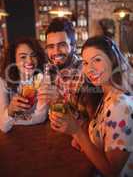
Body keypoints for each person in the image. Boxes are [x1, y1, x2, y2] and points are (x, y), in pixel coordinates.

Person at [49, 35, 133, 177]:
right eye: (86, 63)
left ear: (112, 60)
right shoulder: (105, 95)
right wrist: (84, 141)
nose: (90, 69)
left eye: (97, 60)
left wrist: (77, 132)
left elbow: (111, 172)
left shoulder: (121, 107)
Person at [38, 17, 102, 124]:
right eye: (51, 47)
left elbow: (93, 123)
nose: (56, 52)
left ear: (73, 46)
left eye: (62, 45)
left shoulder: (87, 74)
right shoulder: (49, 72)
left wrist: (58, 100)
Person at [0, 37, 48, 133]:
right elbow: (3, 126)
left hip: (38, 136)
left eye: (33, 55)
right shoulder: (3, 82)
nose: (30, 61)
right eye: (23, 57)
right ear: (14, 60)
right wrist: (10, 111)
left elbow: (41, 117)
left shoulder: (43, 80)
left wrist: (12, 119)